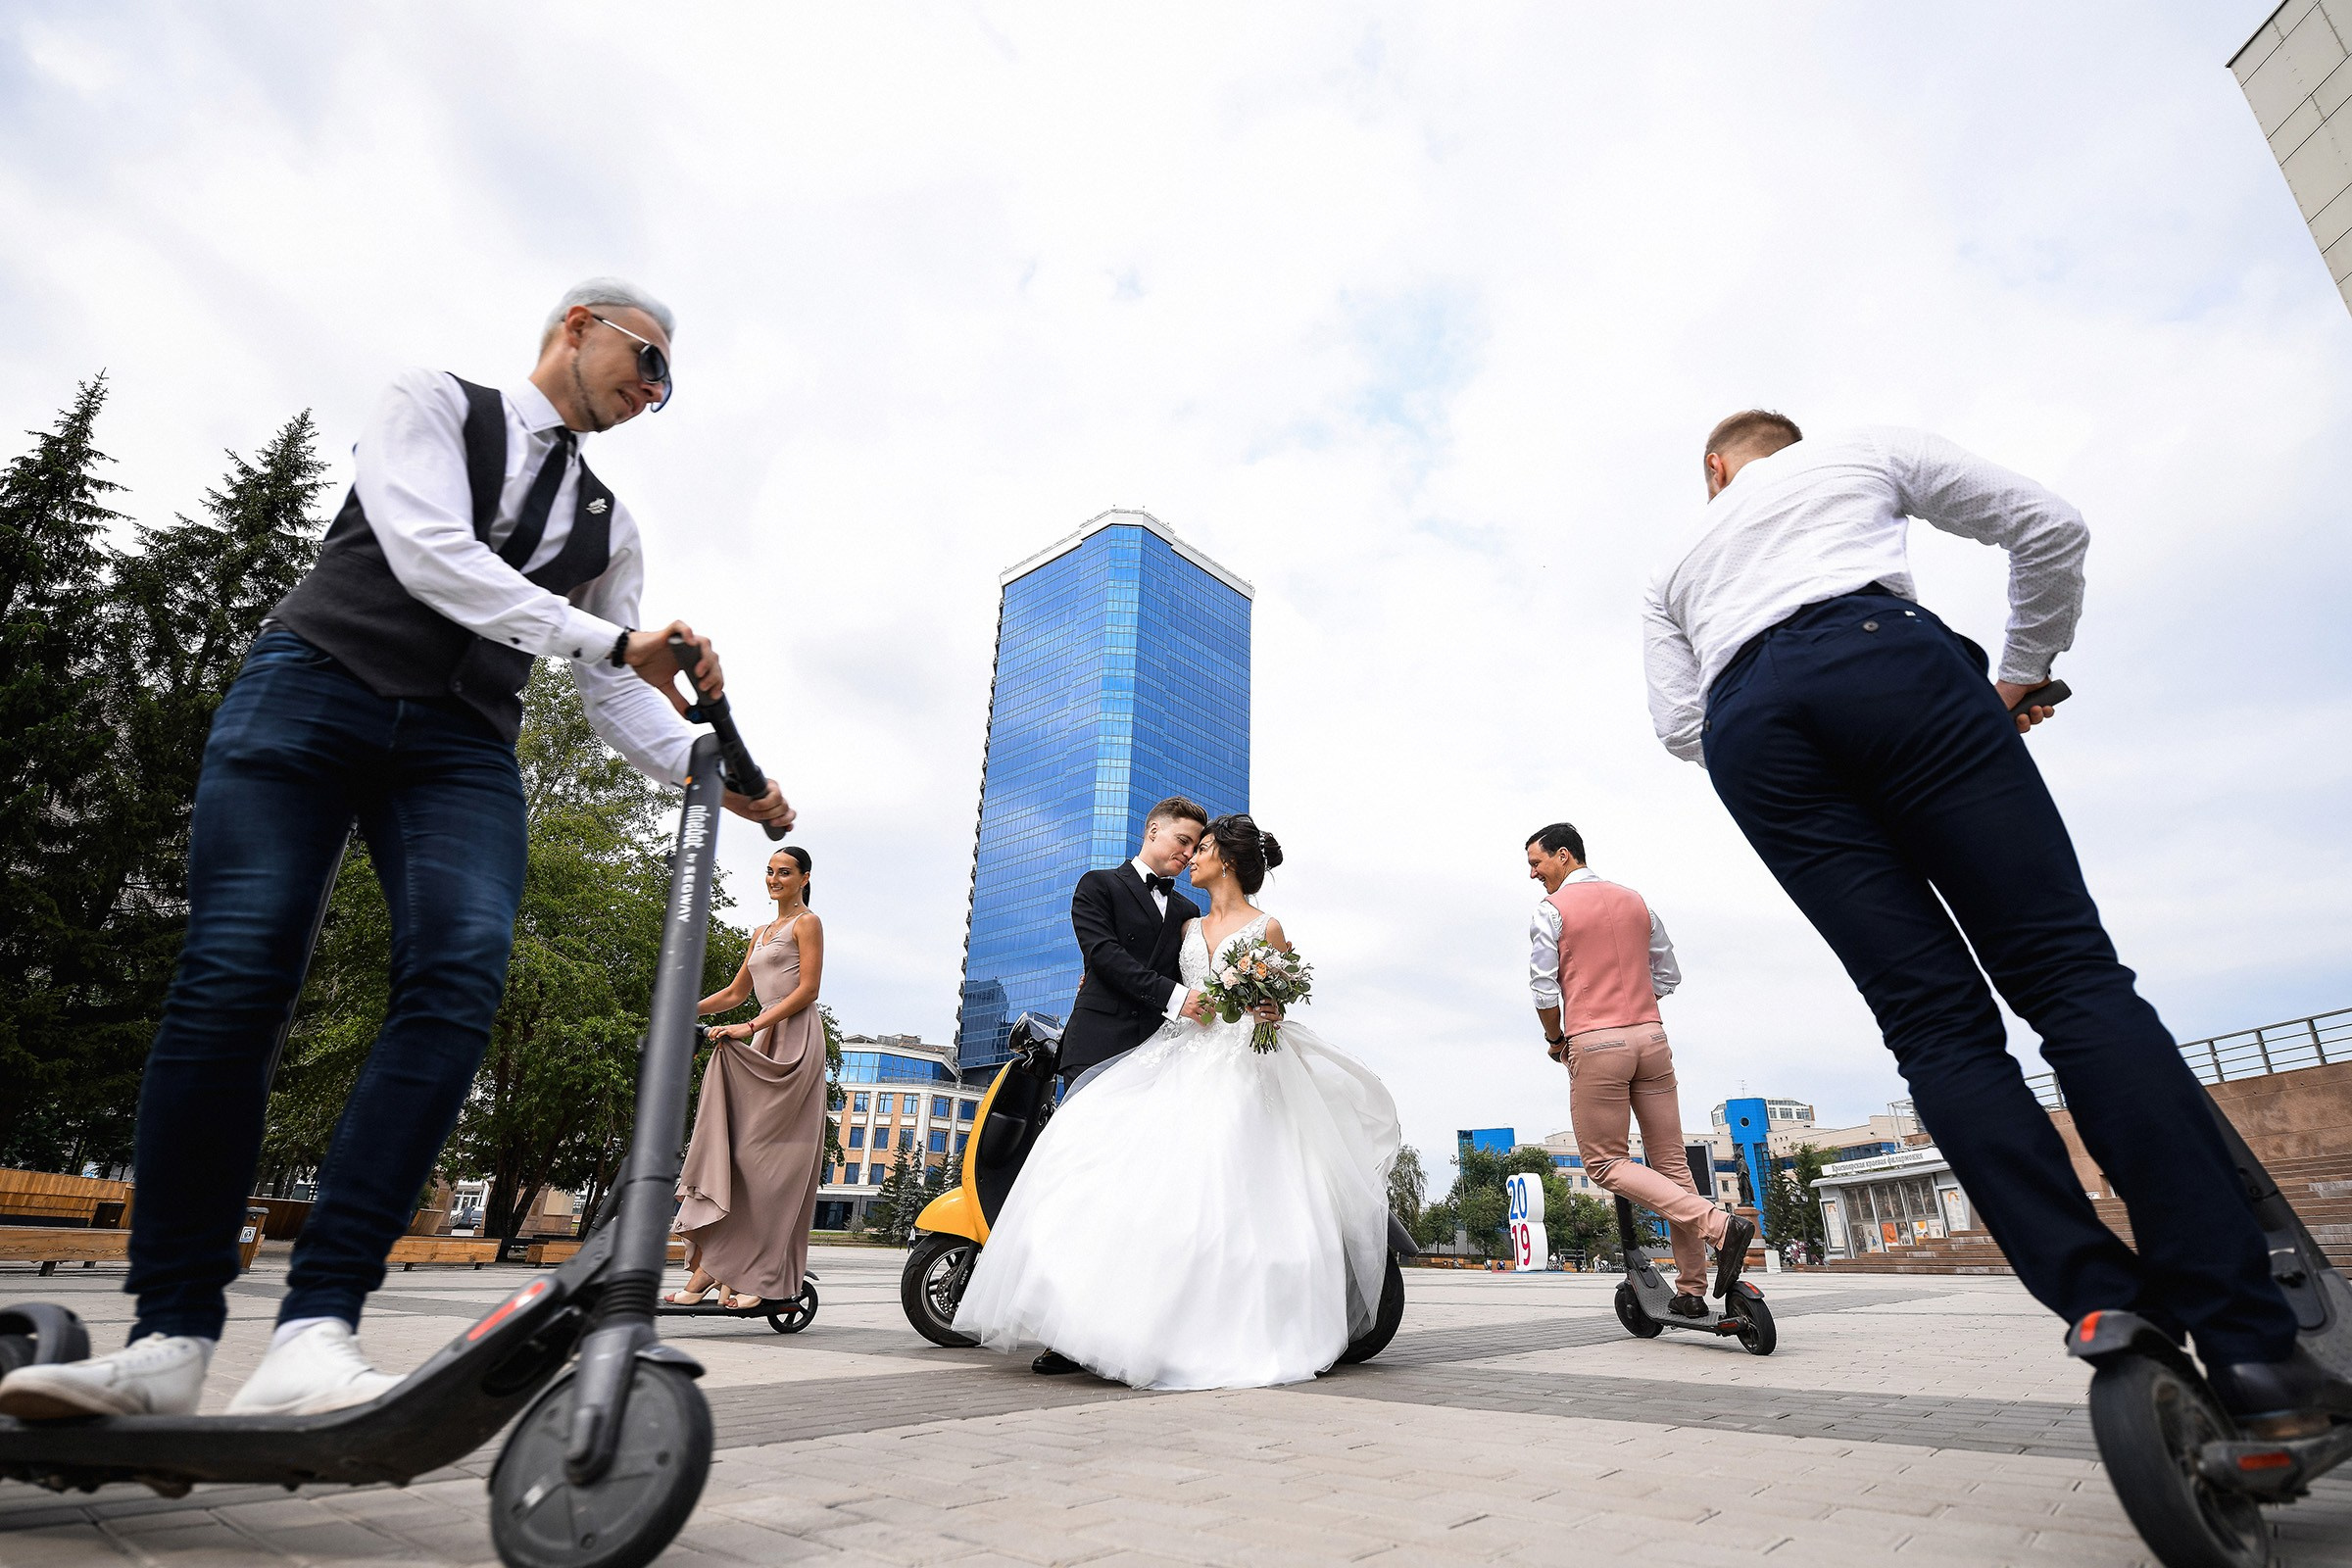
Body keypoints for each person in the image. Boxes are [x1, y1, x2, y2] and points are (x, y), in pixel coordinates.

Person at [0, 279, 792, 1424]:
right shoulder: (432, 403)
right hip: (312, 690)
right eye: (648, 360)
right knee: (239, 976)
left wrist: (729, 776)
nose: (653, 391)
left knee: (459, 979)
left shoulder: (609, 527)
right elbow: (429, 555)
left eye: (669, 384)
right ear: (579, 327)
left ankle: (316, 1328)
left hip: (461, 744)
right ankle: (169, 1338)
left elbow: (612, 696)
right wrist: (619, 638)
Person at [1643, 411, 2347, 1435]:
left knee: (1932, 1025)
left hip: (1753, 730)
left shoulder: (1674, 561)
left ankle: (2101, 1300)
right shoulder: (1863, 449)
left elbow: (1677, 726)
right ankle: (2249, 1348)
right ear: (1785, 447)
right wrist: (2019, 669)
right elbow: (2049, 525)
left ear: (1716, 471)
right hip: (1889, 658)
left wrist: (1787, 751)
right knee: (2070, 980)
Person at [954, 814, 1401, 1391]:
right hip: (1175, 1051)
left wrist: (1267, 1008)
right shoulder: (1185, 924)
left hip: (1244, 1062)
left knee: (1233, 1190)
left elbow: (1277, 1000)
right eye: (1187, 843)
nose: (1192, 857)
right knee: (1098, 1157)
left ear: (1228, 861)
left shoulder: (1265, 926)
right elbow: (1120, 962)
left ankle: (1217, 1326)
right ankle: (1088, 1319)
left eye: (1203, 847)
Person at [1524, 822, 1752, 1312]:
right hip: (1651, 1037)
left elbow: (1543, 989)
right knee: (1672, 1164)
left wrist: (1555, 1038)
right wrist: (1640, 1003)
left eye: (1536, 863)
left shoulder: (1551, 911)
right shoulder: (1638, 902)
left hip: (1595, 1041)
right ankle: (1691, 1293)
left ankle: (1718, 1226)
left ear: (1564, 856)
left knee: (1605, 1163)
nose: (1533, 874)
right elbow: (1668, 973)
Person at [668, 846, 828, 1312]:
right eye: (770, 871)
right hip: (763, 1038)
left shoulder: (808, 924)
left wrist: (752, 1026)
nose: (775, 879)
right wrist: (684, 1007)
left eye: (785, 872)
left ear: (804, 877)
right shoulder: (761, 932)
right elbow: (738, 992)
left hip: (795, 1042)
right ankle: (720, 1268)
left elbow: (808, 989)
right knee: (740, 1158)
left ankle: (757, 1271)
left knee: (769, 1163)